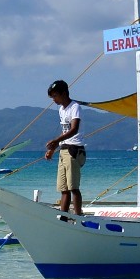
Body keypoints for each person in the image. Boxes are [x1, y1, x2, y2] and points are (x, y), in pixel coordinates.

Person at [43, 80, 86, 214]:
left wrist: (56, 140)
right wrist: (53, 148)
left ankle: (78, 216)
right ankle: (64, 217)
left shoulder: (75, 107)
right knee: (64, 189)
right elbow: (64, 131)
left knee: (74, 188)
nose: (54, 99)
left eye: (55, 96)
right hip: (63, 150)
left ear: (63, 93)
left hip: (74, 150)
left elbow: (74, 129)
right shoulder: (62, 110)